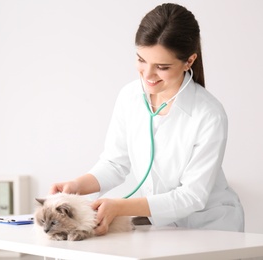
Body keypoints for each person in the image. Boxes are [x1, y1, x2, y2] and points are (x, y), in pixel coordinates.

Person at [50, 3, 244, 235]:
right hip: (164, 228)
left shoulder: (209, 114)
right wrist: (77, 186)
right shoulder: (129, 96)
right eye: (141, 60)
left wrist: (120, 207)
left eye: (162, 67)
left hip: (213, 228)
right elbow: (114, 163)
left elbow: (192, 196)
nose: (148, 75)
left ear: (189, 61)